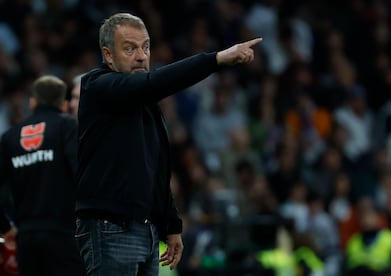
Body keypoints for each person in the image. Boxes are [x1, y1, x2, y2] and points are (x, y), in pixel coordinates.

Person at [75, 12, 262, 276]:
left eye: (146, 47)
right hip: (109, 228)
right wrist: (216, 59)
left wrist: (171, 225)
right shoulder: (97, 86)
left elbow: (157, 168)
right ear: (108, 55)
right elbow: (155, 82)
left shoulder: (148, 105)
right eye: (129, 48)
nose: (141, 56)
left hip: (147, 229)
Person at [0, 75, 86, 276]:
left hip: (26, 238)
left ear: (32, 102)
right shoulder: (67, 127)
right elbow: (80, 174)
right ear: (64, 105)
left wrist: (5, 226)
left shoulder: (10, 137)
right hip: (64, 235)